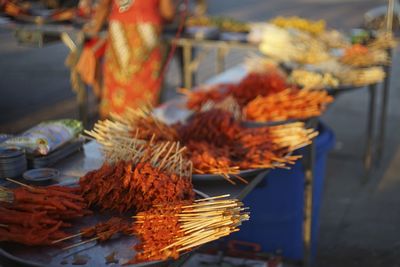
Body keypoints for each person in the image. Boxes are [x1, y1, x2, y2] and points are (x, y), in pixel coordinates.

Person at [83, 0, 175, 118]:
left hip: (119, 31)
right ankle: (143, 127)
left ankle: (113, 127)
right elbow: (168, 13)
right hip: (148, 31)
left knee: (117, 84)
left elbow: (104, 4)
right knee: (145, 85)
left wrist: (95, 28)